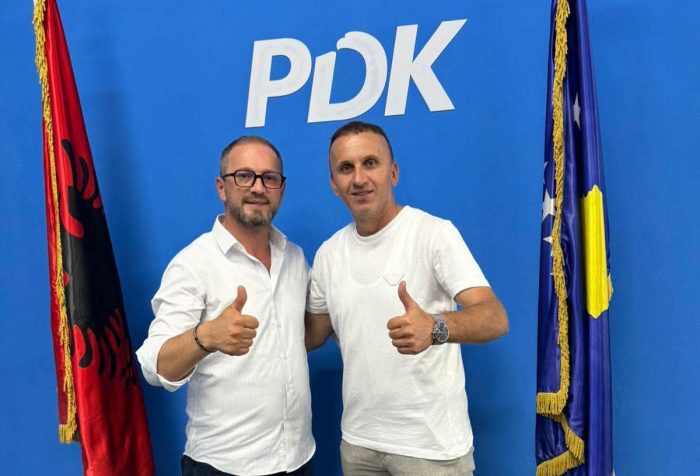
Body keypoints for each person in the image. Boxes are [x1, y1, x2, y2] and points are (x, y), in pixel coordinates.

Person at [305, 121, 508, 476]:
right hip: (359, 445)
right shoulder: (328, 254)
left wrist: (435, 327)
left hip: (430, 450)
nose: (359, 178)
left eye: (370, 163)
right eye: (346, 168)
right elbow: (312, 334)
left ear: (393, 173)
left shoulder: (433, 234)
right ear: (334, 184)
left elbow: (494, 317)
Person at [136, 136, 314, 476]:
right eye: (244, 176)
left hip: (298, 460)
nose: (257, 188)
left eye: (269, 178)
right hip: (223, 467)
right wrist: (206, 337)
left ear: (281, 189)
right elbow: (155, 366)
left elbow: (308, 331)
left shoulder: (294, 258)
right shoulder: (193, 265)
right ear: (222, 187)